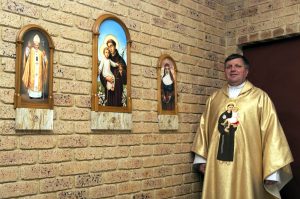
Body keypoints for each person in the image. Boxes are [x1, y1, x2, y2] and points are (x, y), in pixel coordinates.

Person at [191, 54, 293, 199]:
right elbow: (204, 129)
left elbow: (272, 134)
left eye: (238, 66)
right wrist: (202, 159)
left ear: (246, 71)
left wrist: (272, 171)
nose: (233, 70)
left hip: (249, 165)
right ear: (224, 71)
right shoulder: (214, 99)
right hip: (217, 165)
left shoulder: (260, 98)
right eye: (229, 67)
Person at [100, 39, 126, 106]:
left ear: (115, 46)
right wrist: (106, 78)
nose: (110, 48)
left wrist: (121, 71)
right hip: (109, 89)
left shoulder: (121, 60)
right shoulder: (107, 59)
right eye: (108, 47)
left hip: (118, 90)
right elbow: (101, 74)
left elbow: (125, 80)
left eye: (111, 46)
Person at [22, 34, 48, 99]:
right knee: (32, 80)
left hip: (39, 70)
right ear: (34, 44)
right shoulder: (31, 50)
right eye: (35, 45)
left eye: (38, 45)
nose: (37, 46)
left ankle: (38, 95)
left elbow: (45, 62)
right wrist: (28, 47)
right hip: (33, 69)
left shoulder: (40, 52)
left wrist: (44, 56)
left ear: (38, 45)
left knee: (38, 81)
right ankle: (31, 95)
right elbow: (27, 55)